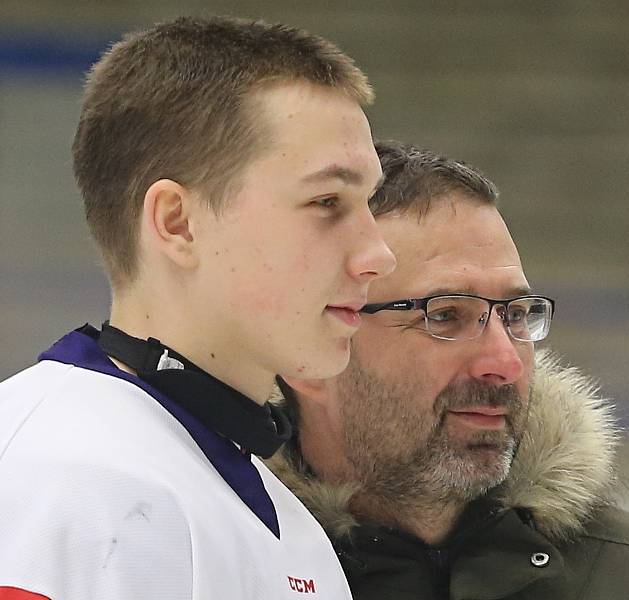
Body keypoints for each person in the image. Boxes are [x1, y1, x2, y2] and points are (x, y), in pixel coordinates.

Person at [0, 16, 396, 600]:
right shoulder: (68, 477)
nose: (377, 254)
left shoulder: (292, 528)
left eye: (369, 203)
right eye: (327, 201)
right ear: (177, 223)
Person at [266, 141, 629, 599]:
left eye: (514, 315)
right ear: (309, 356)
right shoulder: (220, 567)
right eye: (445, 315)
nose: (505, 363)